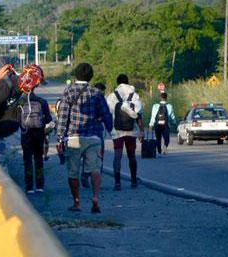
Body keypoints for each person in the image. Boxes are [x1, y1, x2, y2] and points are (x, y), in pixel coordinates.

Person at [55, 63, 113, 214]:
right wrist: (109, 128)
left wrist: (60, 137)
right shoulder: (96, 93)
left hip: (73, 137)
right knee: (95, 169)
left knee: (73, 172)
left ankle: (76, 202)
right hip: (94, 137)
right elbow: (107, 115)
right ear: (91, 76)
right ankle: (95, 198)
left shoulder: (68, 91)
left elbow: (63, 116)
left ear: (75, 74)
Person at [15, 64, 52, 194]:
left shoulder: (20, 102)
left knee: (27, 160)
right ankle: (40, 186)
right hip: (39, 134)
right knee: (38, 159)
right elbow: (48, 120)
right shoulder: (42, 102)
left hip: (26, 134)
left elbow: (17, 120)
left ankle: (29, 186)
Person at [106, 74, 143, 190]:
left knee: (117, 156)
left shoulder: (112, 96)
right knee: (132, 156)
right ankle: (133, 181)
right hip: (131, 130)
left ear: (117, 83)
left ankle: (117, 183)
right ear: (128, 82)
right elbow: (138, 115)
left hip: (117, 131)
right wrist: (141, 130)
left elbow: (108, 113)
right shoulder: (134, 95)